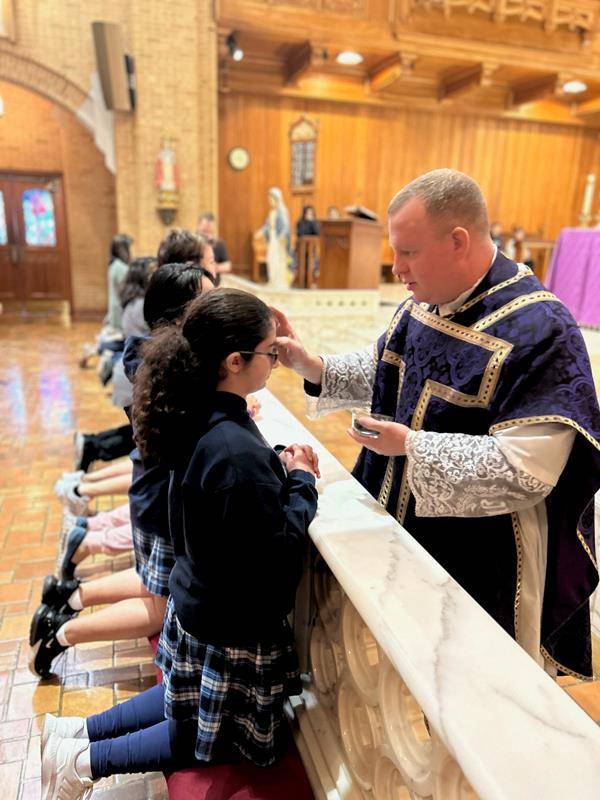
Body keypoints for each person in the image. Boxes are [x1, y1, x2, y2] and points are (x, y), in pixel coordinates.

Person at [274, 168, 600, 679]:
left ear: (457, 241)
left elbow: (530, 468)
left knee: (475, 683)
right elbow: (388, 367)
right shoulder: (424, 301)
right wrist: (311, 366)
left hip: (489, 553)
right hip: (405, 520)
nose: (396, 267)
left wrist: (412, 447)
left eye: (408, 252)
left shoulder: (541, 331)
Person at [40, 289, 319, 799]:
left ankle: (76, 733)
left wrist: (274, 467)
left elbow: (230, 498)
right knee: (209, 735)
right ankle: (83, 761)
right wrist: (301, 481)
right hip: (230, 621)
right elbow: (278, 547)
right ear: (235, 362)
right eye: (270, 352)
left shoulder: (198, 409)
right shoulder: (233, 449)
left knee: (178, 699)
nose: (276, 360)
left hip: (198, 598)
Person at [29, 263, 217, 679]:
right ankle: (62, 631)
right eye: (206, 301)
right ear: (179, 314)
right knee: (158, 607)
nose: (214, 306)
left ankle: (68, 596)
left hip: (153, 494)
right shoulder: (174, 367)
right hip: (163, 500)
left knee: (153, 586)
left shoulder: (153, 353)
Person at [255, 187, 293, 289]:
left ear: (277, 199)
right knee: (271, 259)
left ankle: (279, 282)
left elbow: (286, 226)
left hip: (279, 240)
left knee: (277, 260)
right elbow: (267, 226)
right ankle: (272, 281)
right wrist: (261, 232)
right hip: (272, 239)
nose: (270, 201)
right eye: (269, 199)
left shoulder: (282, 211)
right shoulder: (271, 212)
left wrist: (282, 235)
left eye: (271, 199)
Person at [197, 211, 232, 279]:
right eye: (204, 231)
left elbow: (228, 265)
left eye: (209, 232)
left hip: (213, 281)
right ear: (198, 226)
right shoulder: (190, 242)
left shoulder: (218, 243)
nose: (207, 235)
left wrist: (216, 267)